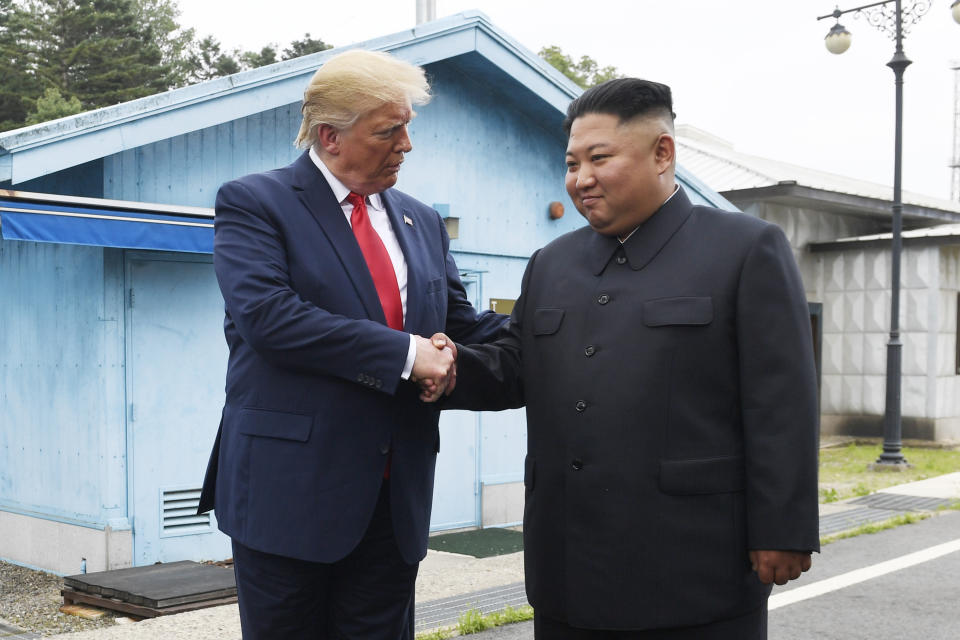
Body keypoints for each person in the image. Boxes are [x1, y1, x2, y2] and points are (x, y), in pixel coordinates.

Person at [432, 78, 820, 639]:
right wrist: (444, 367)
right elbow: (518, 365)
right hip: (567, 567)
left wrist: (783, 528)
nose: (580, 179)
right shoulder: (551, 263)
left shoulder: (744, 249)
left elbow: (782, 402)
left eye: (599, 158)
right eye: (571, 163)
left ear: (662, 153)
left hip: (693, 567)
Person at [197, 49, 507, 640]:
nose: (407, 145)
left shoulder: (421, 220)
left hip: (395, 500)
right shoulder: (255, 203)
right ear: (329, 136)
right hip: (289, 496)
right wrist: (407, 355)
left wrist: (559, 326)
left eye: (409, 127)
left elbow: (459, 326)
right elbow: (270, 318)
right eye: (389, 130)